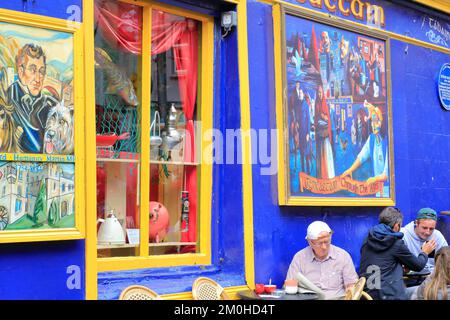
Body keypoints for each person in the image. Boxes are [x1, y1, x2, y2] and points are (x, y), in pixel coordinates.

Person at [359, 207, 437, 300]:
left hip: (368, 294)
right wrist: (424, 252)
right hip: (389, 296)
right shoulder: (395, 242)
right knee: (428, 290)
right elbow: (418, 266)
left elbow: (381, 265)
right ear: (396, 226)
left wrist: (401, 270)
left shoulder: (367, 239)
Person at [286, 221, 358, 299]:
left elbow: (351, 285)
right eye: (320, 243)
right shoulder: (300, 258)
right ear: (310, 242)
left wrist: (350, 290)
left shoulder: (343, 256)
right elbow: (290, 284)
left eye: (327, 242)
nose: (324, 247)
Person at [7, 43, 59, 153]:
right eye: (32, 70)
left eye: (41, 71)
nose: (38, 78)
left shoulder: (49, 104)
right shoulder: (8, 98)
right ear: (21, 72)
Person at [342, 100, 388, 187]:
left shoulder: (387, 142)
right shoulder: (372, 139)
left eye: (376, 121)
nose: (374, 124)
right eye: (372, 121)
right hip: (377, 188)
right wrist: (350, 170)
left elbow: (386, 174)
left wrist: (374, 179)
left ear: (382, 123)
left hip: (387, 188)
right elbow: (361, 157)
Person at [401, 207, 448, 273]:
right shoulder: (403, 235)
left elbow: (446, 261)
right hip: (409, 279)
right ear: (416, 223)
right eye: (424, 228)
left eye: (431, 229)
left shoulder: (437, 236)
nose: (427, 232)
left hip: (432, 278)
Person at [314, 85, 335, 179]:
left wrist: (322, 116)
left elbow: (327, 118)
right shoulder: (316, 103)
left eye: (321, 92)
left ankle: (328, 176)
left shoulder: (325, 103)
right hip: (319, 133)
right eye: (318, 92)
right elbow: (315, 117)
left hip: (325, 133)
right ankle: (321, 176)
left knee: (326, 154)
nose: (320, 94)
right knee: (320, 155)